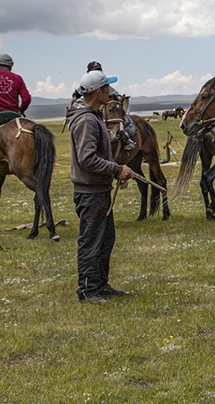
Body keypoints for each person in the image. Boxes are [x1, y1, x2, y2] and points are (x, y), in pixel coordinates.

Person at [66, 70, 133, 304]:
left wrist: (116, 172)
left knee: (105, 239)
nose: (110, 92)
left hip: (99, 189)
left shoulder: (93, 116)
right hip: (90, 193)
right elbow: (87, 159)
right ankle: (87, 290)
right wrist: (116, 169)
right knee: (91, 241)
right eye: (106, 88)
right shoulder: (86, 120)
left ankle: (100, 284)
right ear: (98, 92)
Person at [70, 62, 136, 151]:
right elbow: (76, 94)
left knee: (121, 119)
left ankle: (126, 138)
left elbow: (116, 95)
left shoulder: (91, 85)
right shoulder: (87, 119)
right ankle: (126, 139)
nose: (107, 89)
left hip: (105, 108)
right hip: (99, 109)